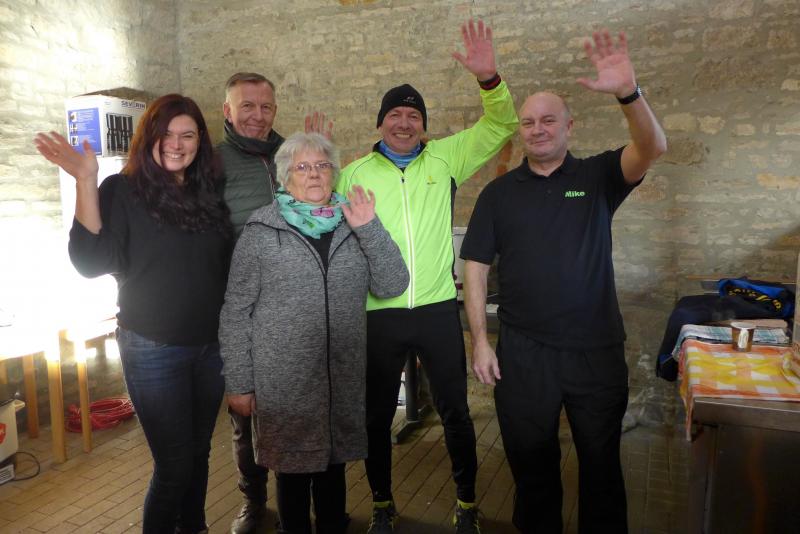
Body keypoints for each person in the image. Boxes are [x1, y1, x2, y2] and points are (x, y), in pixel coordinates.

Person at [461, 29, 667, 533]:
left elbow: (653, 146)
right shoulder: (498, 195)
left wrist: (629, 93)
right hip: (523, 353)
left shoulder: (598, 177)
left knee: (600, 466)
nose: (537, 130)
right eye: (528, 122)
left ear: (569, 127)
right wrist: (481, 342)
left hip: (595, 350)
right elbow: (475, 268)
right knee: (531, 468)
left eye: (548, 120)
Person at [335, 19, 518, 534]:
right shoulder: (353, 174)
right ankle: (381, 504)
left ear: (423, 124)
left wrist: (489, 80)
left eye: (413, 115)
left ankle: (466, 502)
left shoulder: (446, 157)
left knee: (455, 412)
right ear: (380, 124)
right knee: (376, 417)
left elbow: (502, 125)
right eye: (394, 114)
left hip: (437, 309)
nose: (404, 122)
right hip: (379, 313)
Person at [35, 94, 233, 534]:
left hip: (210, 347)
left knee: (199, 453)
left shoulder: (207, 192)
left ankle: (194, 527)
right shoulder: (122, 190)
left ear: (200, 141)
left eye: (187, 135)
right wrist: (86, 181)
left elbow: (219, 267)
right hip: (153, 348)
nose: (176, 144)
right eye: (166, 134)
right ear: (149, 138)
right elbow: (91, 261)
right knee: (174, 466)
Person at [219, 132, 409, 534]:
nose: (314, 173)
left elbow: (393, 284)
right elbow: (236, 311)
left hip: (340, 378)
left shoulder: (353, 223)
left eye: (322, 165)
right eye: (302, 167)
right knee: (290, 478)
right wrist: (239, 382)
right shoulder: (261, 231)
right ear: (285, 177)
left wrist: (370, 228)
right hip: (284, 385)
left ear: (334, 173)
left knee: (332, 472)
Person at [218, 72, 332, 533]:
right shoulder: (212, 163)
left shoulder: (291, 153)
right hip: (245, 308)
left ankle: (313, 507)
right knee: (246, 417)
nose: (257, 115)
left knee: (301, 412)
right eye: (246, 106)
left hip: (297, 308)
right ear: (227, 111)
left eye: (265, 107)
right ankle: (253, 500)